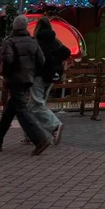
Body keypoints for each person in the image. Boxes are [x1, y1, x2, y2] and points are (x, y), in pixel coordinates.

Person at [0, 15, 53, 155]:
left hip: (14, 79)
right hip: (27, 79)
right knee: (9, 111)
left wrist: (6, 75)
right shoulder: (32, 41)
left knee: (21, 110)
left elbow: (7, 61)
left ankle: (40, 139)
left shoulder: (9, 42)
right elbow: (41, 60)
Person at [27, 17, 72, 145]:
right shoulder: (55, 41)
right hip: (51, 77)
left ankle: (55, 126)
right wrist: (57, 62)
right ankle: (31, 134)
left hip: (39, 75)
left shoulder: (37, 41)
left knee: (37, 104)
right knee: (33, 106)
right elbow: (66, 52)